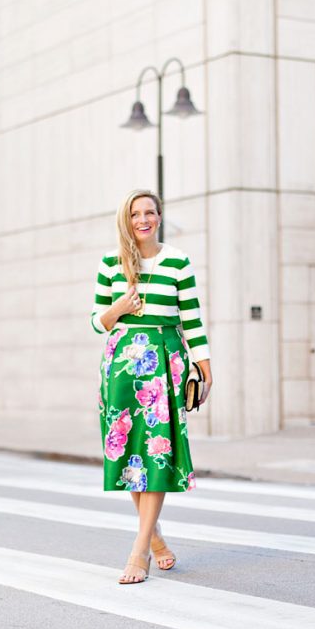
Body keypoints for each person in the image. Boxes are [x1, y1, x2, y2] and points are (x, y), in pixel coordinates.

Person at [90, 189, 212, 584]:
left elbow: (191, 320)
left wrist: (205, 368)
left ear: (160, 216)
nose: (143, 219)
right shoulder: (111, 263)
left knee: (156, 451)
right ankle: (154, 536)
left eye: (150, 212)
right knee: (130, 452)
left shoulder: (178, 261)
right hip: (122, 364)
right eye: (135, 213)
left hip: (164, 360)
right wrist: (119, 309)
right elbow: (96, 320)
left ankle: (139, 549)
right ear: (126, 220)